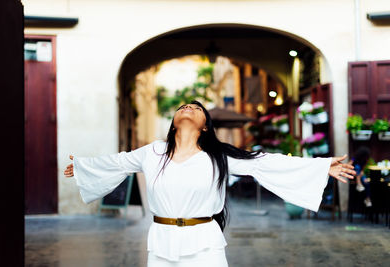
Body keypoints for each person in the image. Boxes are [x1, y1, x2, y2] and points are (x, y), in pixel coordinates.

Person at [64, 100, 355, 267]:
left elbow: (264, 161)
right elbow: (118, 162)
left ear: (205, 125)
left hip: (205, 244)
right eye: (182, 106)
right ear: (174, 121)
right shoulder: (152, 152)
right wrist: (82, 167)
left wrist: (319, 165)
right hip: (162, 242)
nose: (187, 107)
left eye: (195, 107)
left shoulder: (219, 156)